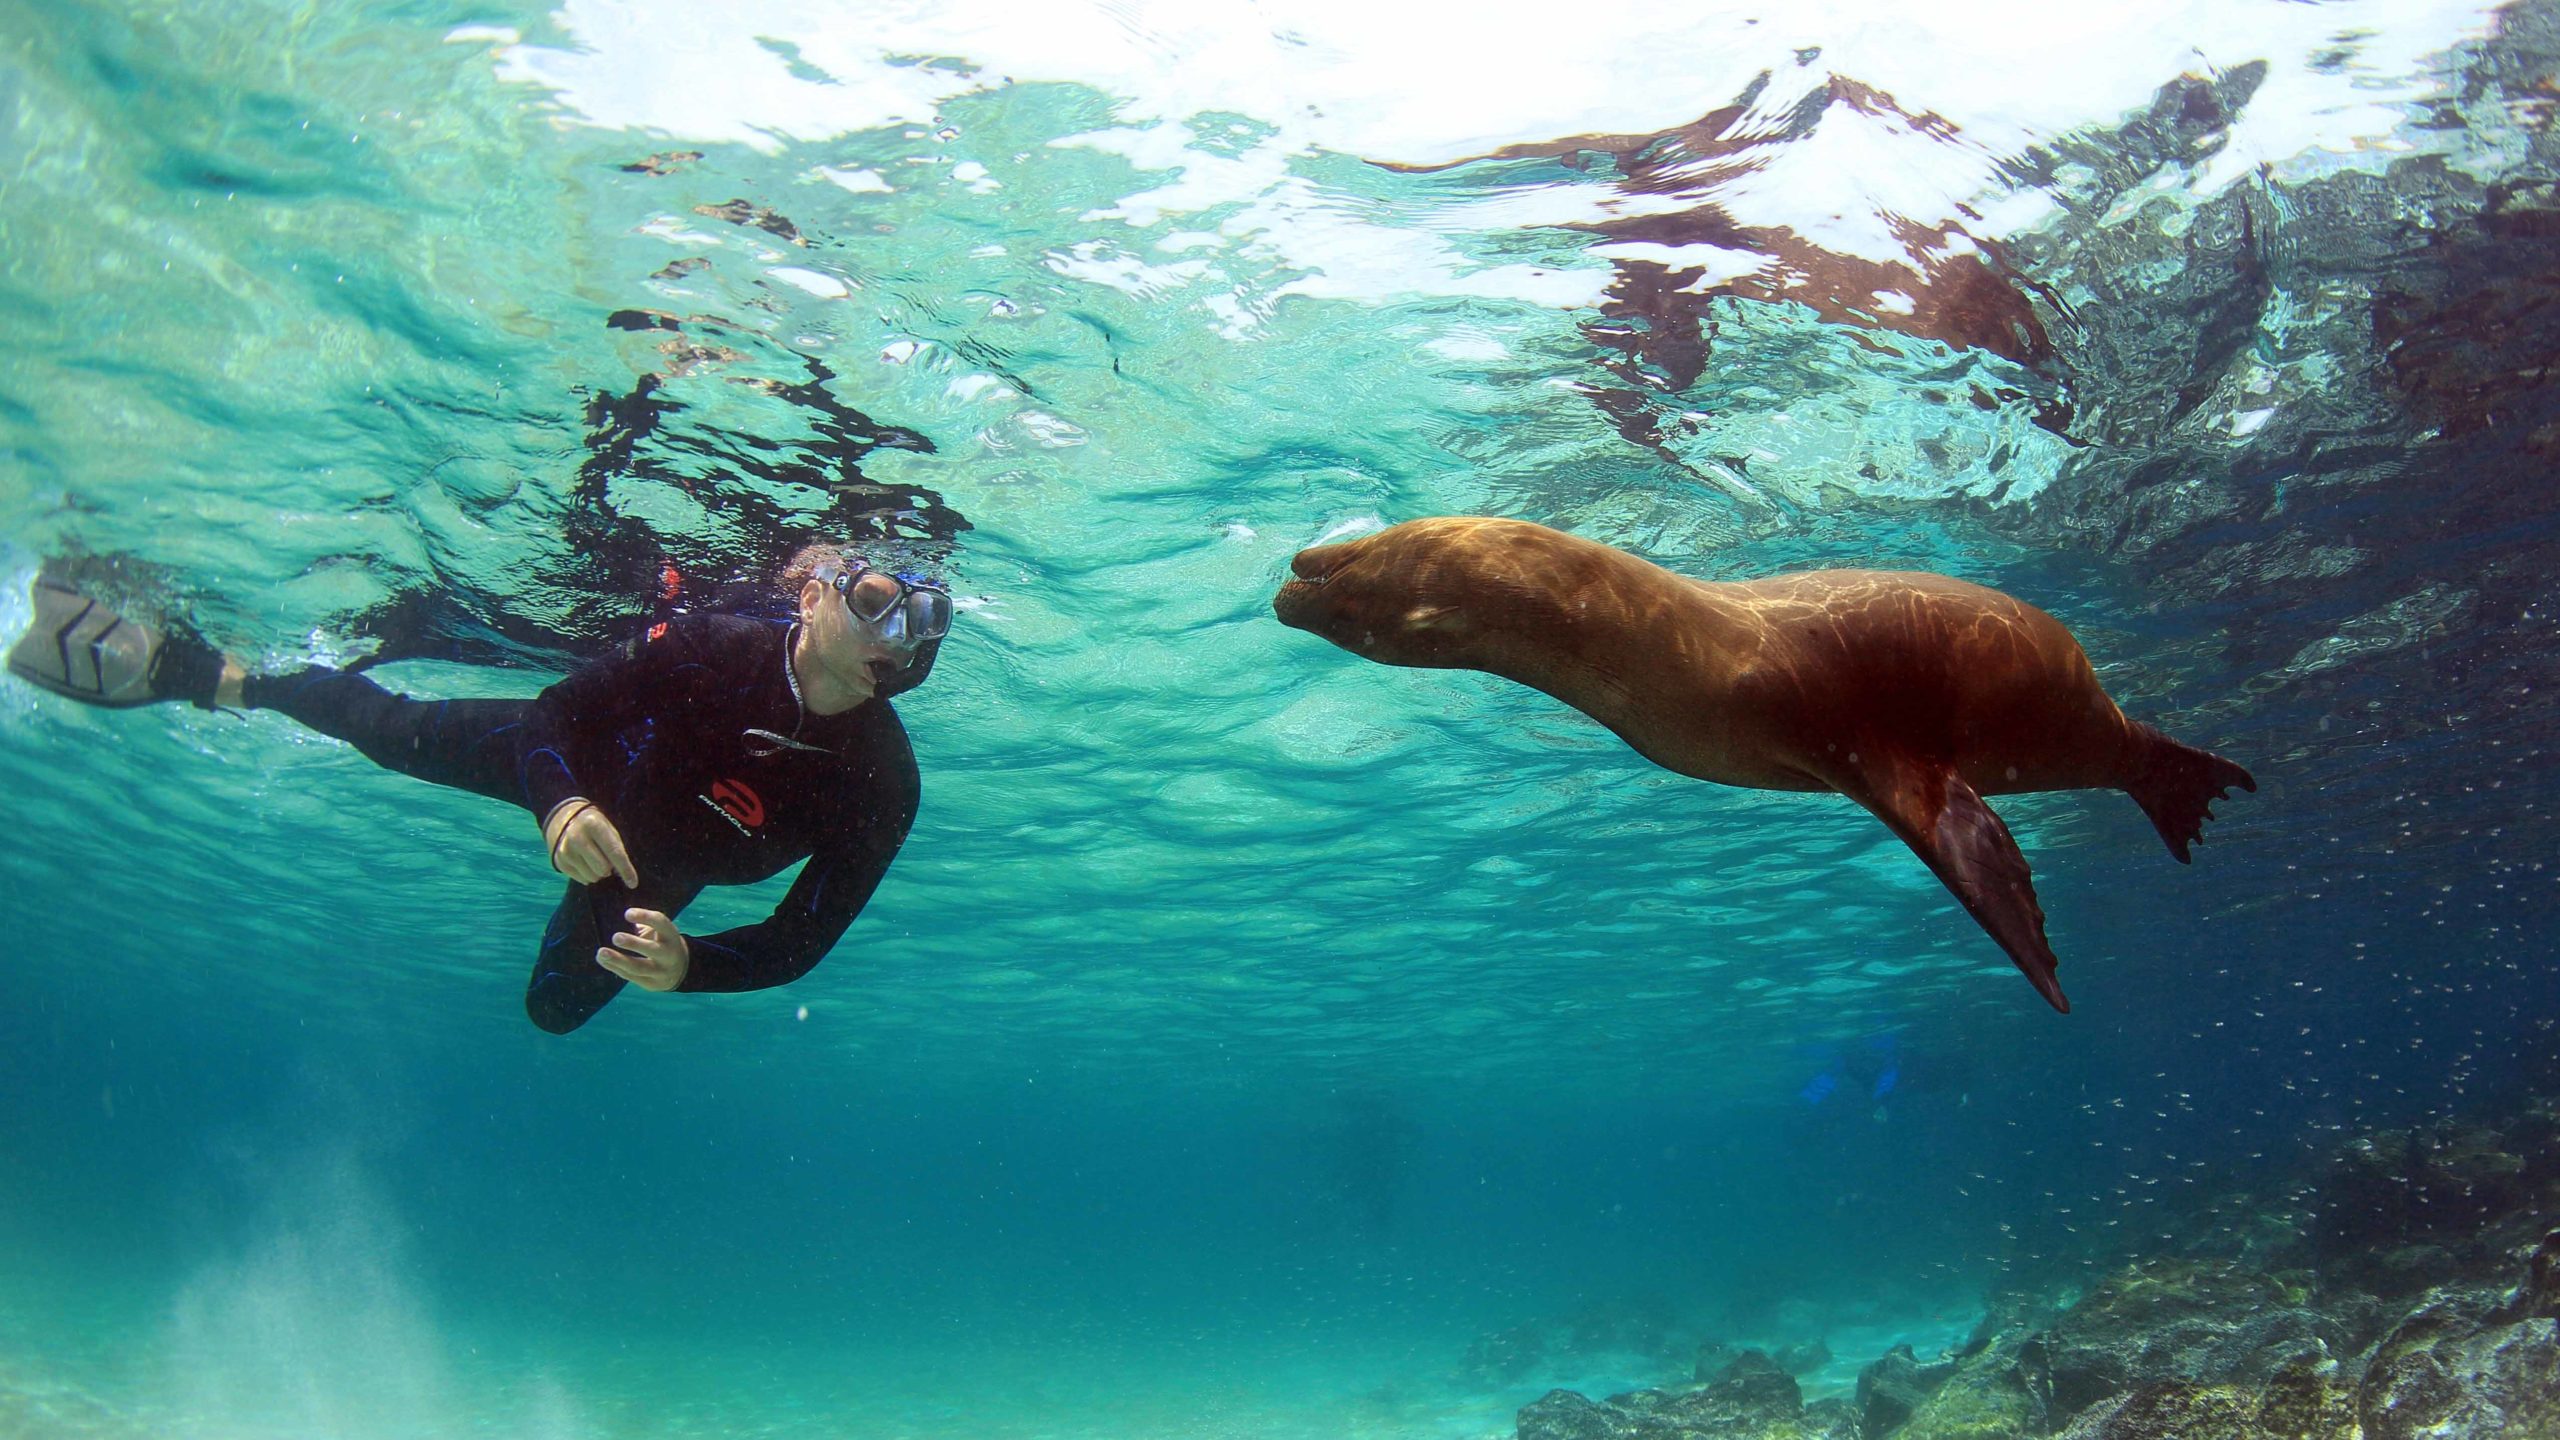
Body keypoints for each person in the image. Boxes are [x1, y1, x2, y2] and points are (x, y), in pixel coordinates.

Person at [7, 545, 950, 1034]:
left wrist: (688, 965)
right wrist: (561, 805)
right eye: (873, 599)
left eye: (922, 619)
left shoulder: (883, 782)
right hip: (585, 771)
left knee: (554, 1011)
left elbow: (798, 941)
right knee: (394, 731)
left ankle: (227, 677)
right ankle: (213, 674)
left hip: (652, 872)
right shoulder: (713, 642)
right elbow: (555, 715)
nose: (897, 635)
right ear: (813, 596)